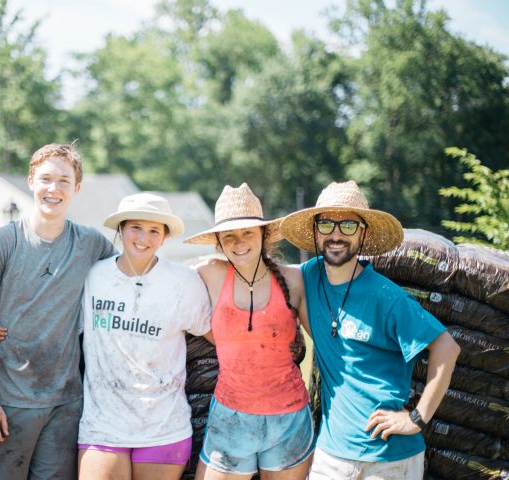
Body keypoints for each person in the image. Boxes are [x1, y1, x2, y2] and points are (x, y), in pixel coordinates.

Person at [279, 180, 461, 480]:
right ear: (315, 231)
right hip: (331, 455)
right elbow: (262, 274)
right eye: (326, 225)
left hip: (388, 459)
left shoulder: (387, 297)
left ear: (363, 234)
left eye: (348, 225)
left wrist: (417, 418)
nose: (336, 235)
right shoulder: (308, 276)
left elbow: (447, 348)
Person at [0, 143, 115, 480]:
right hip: (8, 403)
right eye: (46, 179)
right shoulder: (1, 242)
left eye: (64, 181)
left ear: (77, 188)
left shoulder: (91, 244)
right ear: (31, 181)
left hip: (65, 404)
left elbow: (131, 272)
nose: (53, 188)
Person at [76, 193, 212, 480]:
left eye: (154, 231)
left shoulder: (184, 282)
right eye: (136, 227)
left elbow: (219, 337)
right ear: (121, 229)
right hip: (103, 425)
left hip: (164, 426)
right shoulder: (93, 277)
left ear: (164, 237)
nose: (143, 238)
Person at [184, 183, 314, 480]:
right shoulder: (210, 273)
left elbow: (323, 340)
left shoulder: (292, 279)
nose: (238, 242)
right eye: (229, 235)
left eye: (247, 233)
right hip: (230, 416)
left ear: (264, 234)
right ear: (218, 241)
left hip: (289, 418)